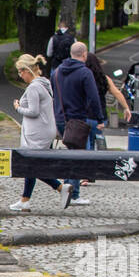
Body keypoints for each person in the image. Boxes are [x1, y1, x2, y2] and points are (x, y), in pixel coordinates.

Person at [9, 54, 66, 212]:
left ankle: (61, 188)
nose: (20, 76)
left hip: (37, 132)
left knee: (31, 165)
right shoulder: (45, 83)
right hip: (45, 130)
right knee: (32, 164)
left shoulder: (34, 87)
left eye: (20, 72)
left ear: (27, 70)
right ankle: (25, 200)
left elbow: (33, 111)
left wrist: (18, 107)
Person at [51, 40, 104, 206]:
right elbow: (94, 97)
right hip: (77, 120)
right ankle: (73, 195)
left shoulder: (57, 72)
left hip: (61, 119)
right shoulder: (85, 72)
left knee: (69, 155)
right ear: (84, 54)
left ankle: (68, 191)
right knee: (78, 156)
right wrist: (99, 117)